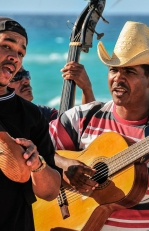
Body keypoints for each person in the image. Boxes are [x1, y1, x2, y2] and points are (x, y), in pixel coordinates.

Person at [50, 21, 149, 230]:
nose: (118, 79)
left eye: (130, 72)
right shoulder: (82, 117)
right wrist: (64, 164)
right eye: (114, 69)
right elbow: (37, 152)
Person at [0, 16, 61, 230]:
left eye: (20, 53)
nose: (14, 57)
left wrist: (38, 165)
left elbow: (51, 192)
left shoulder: (32, 115)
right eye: (6, 46)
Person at [9, 63, 95, 122]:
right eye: (16, 76)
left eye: (26, 74)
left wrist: (86, 88)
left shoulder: (43, 114)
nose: (26, 80)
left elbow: (85, 127)